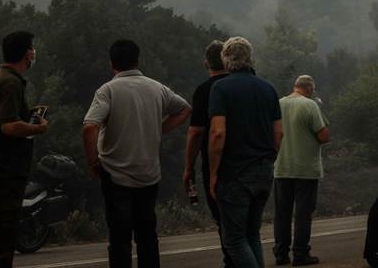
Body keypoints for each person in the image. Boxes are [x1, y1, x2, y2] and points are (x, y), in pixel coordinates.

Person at [82, 39, 191, 268]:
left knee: (120, 238)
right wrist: (158, 130)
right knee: (147, 236)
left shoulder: (107, 90)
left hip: (115, 175)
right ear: (137, 60)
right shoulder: (156, 87)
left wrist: (92, 162)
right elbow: (184, 109)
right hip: (149, 174)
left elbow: (90, 126)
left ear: (112, 63)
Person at [208, 37, 283, 268]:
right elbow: (278, 134)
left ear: (225, 59)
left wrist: (213, 173)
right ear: (250, 58)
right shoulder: (267, 88)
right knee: (252, 235)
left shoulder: (220, 88)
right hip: (263, 171)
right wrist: (268, 159)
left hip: (234, 174)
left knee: (234, 240)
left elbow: (218, 134)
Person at [0, 31, 48, 268]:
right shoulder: (10, 83)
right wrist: (38, 128)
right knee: (2, 240)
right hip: (4, 171)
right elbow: (8, 126)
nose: (34, 53)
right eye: (32, 49)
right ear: (27, 54)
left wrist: (26, 117)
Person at [273, 75, 330, 266]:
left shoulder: (278, 103)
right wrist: (320, 109)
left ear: (295, 86)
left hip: (281, 167)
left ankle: (281, 254)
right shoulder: (310, 105)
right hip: (305, 169)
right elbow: (323, 136)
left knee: (282, 213)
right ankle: (300, 253)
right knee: (303, 213)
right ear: (310, 89)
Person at [184, 40, 231, 267]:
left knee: (223, 219)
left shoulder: (203, 91)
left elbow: (195, 134)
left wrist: (188, 167)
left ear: (206, 63)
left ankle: (231, 260)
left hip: (215, 164)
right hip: (248, 159)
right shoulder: (240, 85)